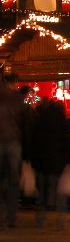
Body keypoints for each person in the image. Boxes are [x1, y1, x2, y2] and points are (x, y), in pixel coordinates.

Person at [32, 99, 70, 229]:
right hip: (57, 164)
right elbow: (67, 144)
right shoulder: (63, 124)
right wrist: (67, 161)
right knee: (60, 192)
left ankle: (41, 219)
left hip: (42, 164)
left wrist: (34, 162)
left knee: (42, 192)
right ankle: (61, 220)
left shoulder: (41, 122)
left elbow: (35, 143)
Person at [0, 74, 22, 229]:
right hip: (13, 141)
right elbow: (23, 121)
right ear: (14, 83)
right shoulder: (16, 98)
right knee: (13, 181)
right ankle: (11, 217)